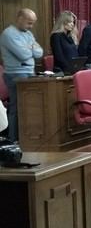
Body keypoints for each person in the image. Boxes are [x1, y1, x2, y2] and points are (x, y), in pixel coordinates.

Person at [0, 8, 43, 142]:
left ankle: (27, 138)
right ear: (20, 18)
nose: (31, 26)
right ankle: (13, 139)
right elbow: (23, 55)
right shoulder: (8, 34)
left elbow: (39, 52)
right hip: (15, 74)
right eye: (29, 23)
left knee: (29, 108)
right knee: (17, 107)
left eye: (33, 23)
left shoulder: (28, 34)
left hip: (29, 73)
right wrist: (30, 48)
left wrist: (30, 49)